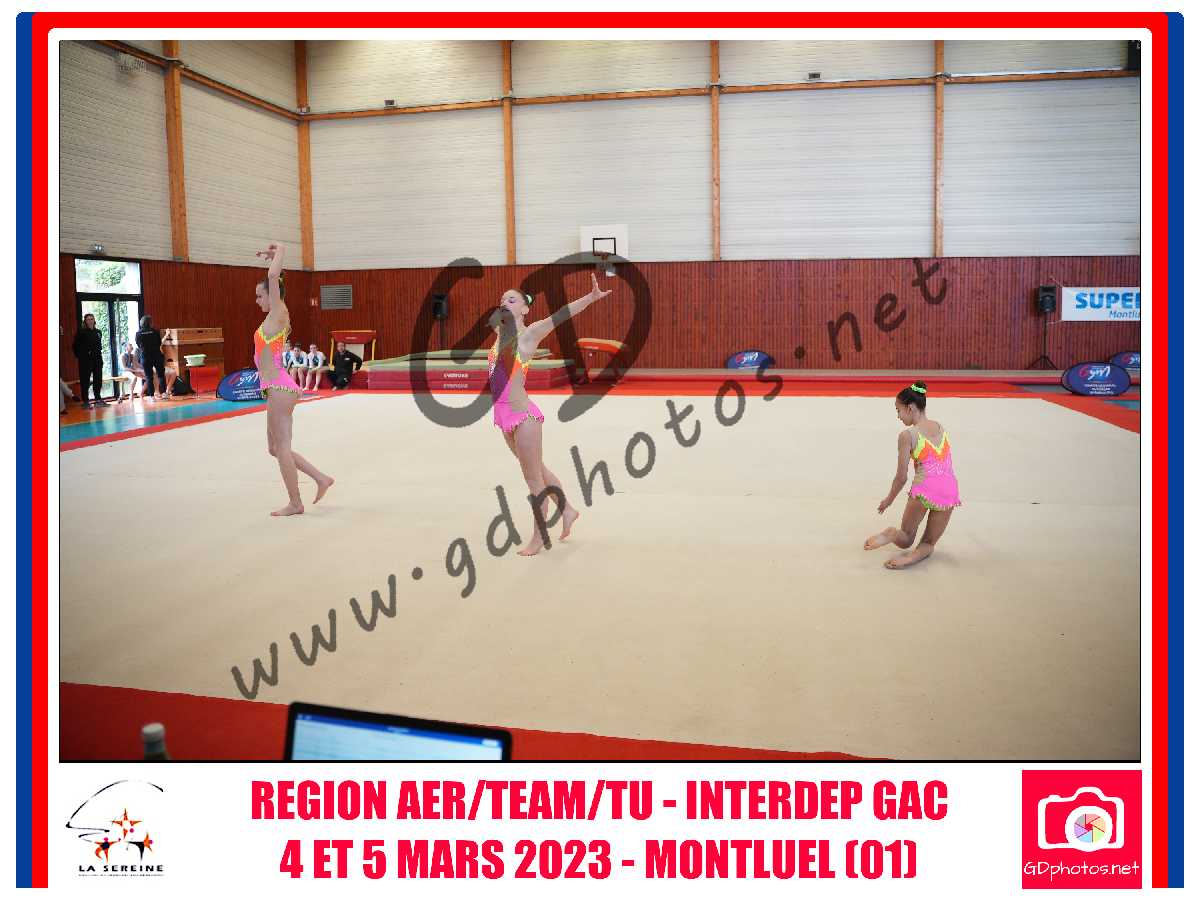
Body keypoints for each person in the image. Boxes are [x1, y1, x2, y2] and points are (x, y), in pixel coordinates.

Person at [488, 273, 611, 556]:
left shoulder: (529, 334)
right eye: (502, 300)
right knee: (539, 470)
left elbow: (560, 316)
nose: (504, 303)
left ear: (525, 309)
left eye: (512, 300)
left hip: (524, 418)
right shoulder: (500, 334)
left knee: (533, 480)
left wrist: (590, 298)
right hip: (505, 418)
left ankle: (538, 537)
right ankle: (567, 510)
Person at [252, 242, 334, 516]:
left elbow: (274, 276)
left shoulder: (278, 312)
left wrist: (280, 251)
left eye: (260, 296)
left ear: (272, 295)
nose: (257, 301)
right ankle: (321, 478)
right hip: (274, 387)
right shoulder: (272, 317)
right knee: (274, 448)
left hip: (280, 387)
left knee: (282, 448)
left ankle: (296, 502)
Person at [863, 381, 962, 569]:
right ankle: (911, 558)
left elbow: (901, 477)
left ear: (909, 408)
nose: (898, 416)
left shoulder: (907, 435)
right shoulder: (940, 427)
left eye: (898, 410)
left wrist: (889, 500)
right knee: (928, 543)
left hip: (925, 488)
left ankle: (892, 534)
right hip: (950, 491)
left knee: (906, 538)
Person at [71, 313, 107, 408]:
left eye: (92, 319)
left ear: (94, 321)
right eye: (88, 319)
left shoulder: (98, 332)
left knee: (98, 379)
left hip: (97, 359)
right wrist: (81, 356)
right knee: (85, 381)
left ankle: (98, 399)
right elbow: (75, 346)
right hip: (85, 361)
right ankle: (86, 401)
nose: (90, 321)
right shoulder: (81, 333)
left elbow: (99, 346)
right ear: (85, 321)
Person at [136, 315, 168, 401]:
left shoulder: (138, 333)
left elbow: (139, 345)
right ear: (150, 323)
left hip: (145, 357)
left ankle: (152, 397)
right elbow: (159, 343)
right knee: (161, 374)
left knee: (149, 377)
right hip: (156, 355)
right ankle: (164, 394)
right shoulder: (155, 332)